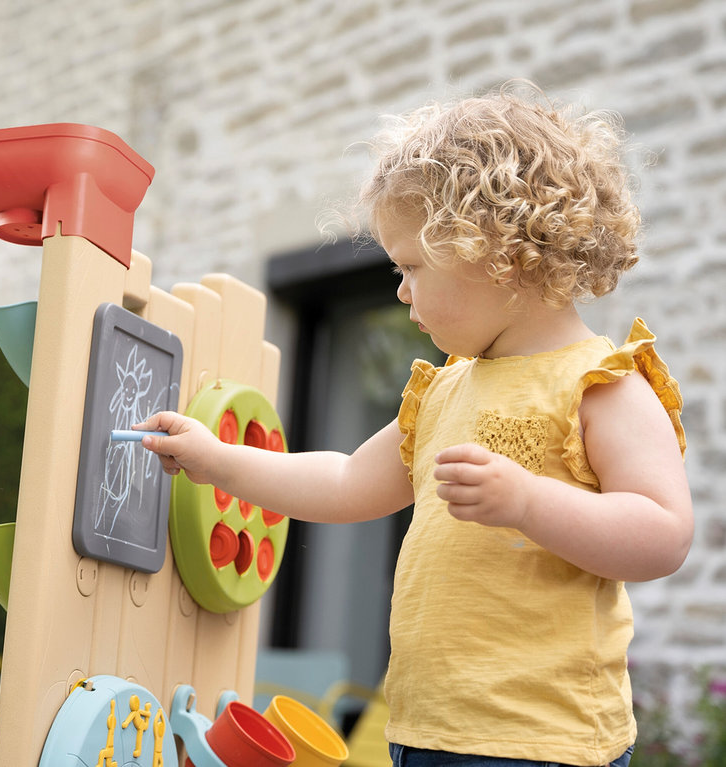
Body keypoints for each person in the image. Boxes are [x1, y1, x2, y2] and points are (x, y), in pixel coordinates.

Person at [136, 83, 693, 767]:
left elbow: (663, 535)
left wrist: (527, 500)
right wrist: (219, 460)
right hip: (425, 732)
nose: (400, 291)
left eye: (411, 267)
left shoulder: (601, 384)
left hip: (544, 742)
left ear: (499, 253)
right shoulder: (442, 393)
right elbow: (342, 481)